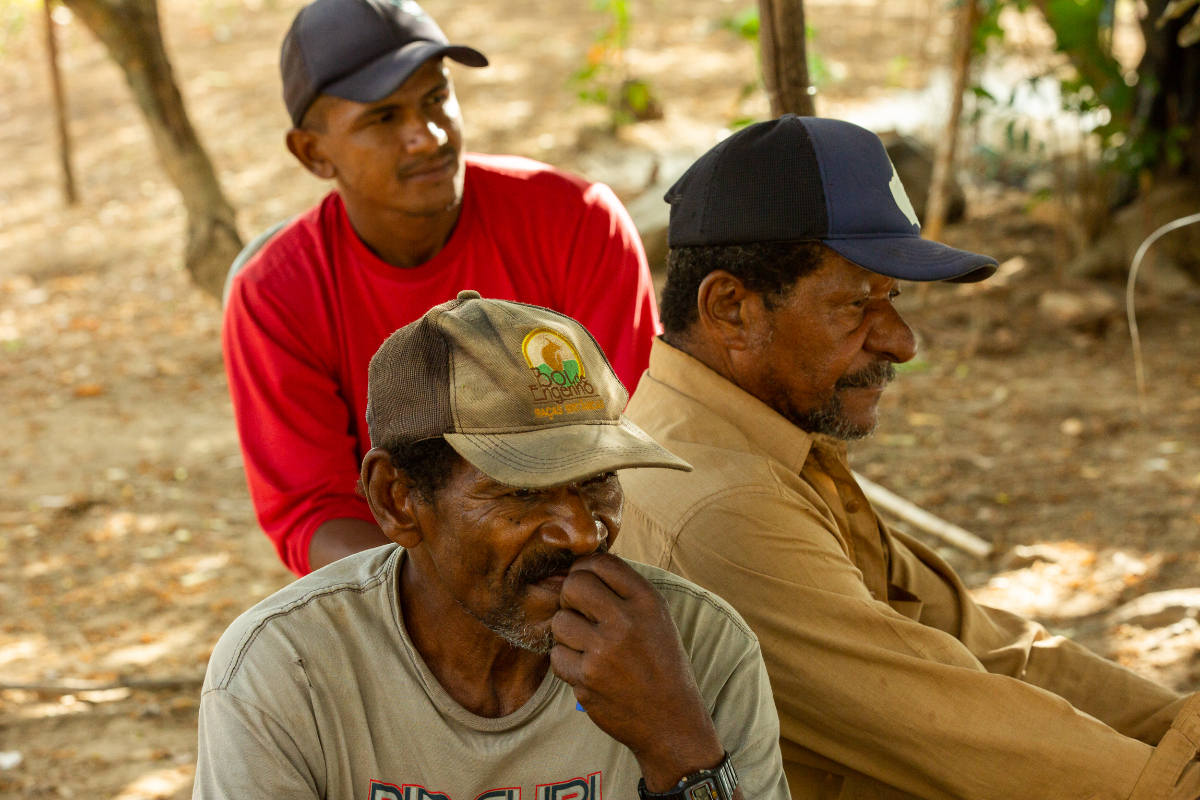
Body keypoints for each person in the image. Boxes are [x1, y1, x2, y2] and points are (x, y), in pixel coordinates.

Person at [611, 115, 1200, 800]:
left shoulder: (747, 444)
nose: (900, 341)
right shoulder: (726, 507)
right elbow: (976, 735)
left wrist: (1179, 727)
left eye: (891, 297)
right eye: (857, 304)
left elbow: (997, 651)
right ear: (731, 308)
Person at [195, 292, 789, 800]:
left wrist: (678, 747)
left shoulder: (698, 646)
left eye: (598, 480)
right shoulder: (288, 669)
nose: (584, 532)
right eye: (525, 491)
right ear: (397, 499)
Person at [222, 0, 660, 576]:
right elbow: (314, 512)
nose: (427, 138)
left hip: (591, 560)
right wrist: (447, 603)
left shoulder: (575, 221)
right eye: (383, 118)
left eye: (436, 98)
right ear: (313, 153)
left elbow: (628, 443)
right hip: (404, 593)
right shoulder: (277, 294)